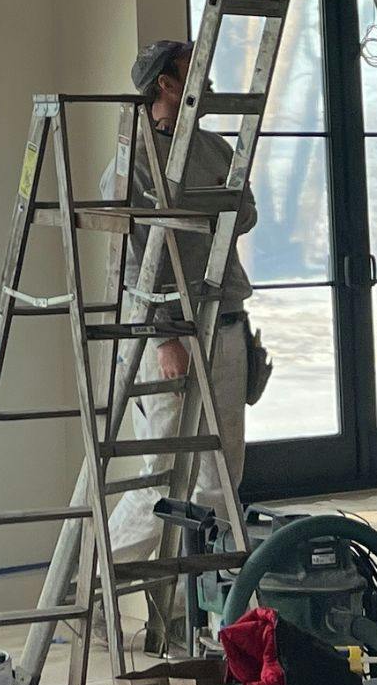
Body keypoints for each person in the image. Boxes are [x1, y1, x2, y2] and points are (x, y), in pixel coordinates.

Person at [106, 37, 262, 559]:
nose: (208, 78)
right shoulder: (132, 165)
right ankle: (104, 584)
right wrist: (165, 335)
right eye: (192, 70)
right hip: (173, 332)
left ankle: (196, 600)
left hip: (224, 321)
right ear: (166, 84)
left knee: (223, 473)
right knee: (163, 474)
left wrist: (218, 211)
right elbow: (130, 262)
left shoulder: (215, 149)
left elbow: (245, 213)